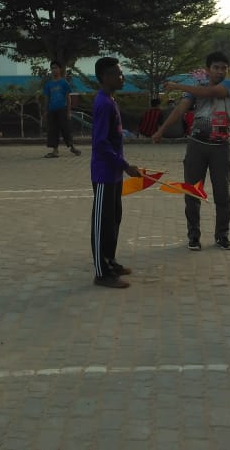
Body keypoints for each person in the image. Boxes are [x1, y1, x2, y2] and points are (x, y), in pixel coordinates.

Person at [152, 51, 230, 251]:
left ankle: (222, 236)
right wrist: (161, 130)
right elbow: (180, 110)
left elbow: (210, 93)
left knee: (222, 194)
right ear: (207, 70)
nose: (220, 71)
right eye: (216, 67)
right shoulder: (196, 88)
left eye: (224, 68)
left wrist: (177, 86)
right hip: (196, 147)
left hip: (221, 148)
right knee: (192, 193)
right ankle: (193, 236)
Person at [90, 57, 141, 289]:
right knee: (102, 224)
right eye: (118, 74)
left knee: (113, 220)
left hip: (114, 174)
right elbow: (100, 143)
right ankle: (102, 273)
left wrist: (121, 167)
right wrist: (125, 165)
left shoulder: (111, 100)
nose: (122, 77)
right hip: (104, 173)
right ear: (104, 77)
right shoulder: (103, 103)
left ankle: (110, 262)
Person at [43, 60, 81, 158]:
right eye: (52, 68)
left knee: (66, 129)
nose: (54, 70)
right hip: (52, 110)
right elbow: (47, 98)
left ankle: (72, 147)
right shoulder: (48, 85)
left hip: (62, 110)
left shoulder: (64, 83)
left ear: (60, 69)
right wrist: (46, 111)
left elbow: (68, 98)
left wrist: (68, 111)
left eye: (56, 68)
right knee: (53, 130)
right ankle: (55, 151)